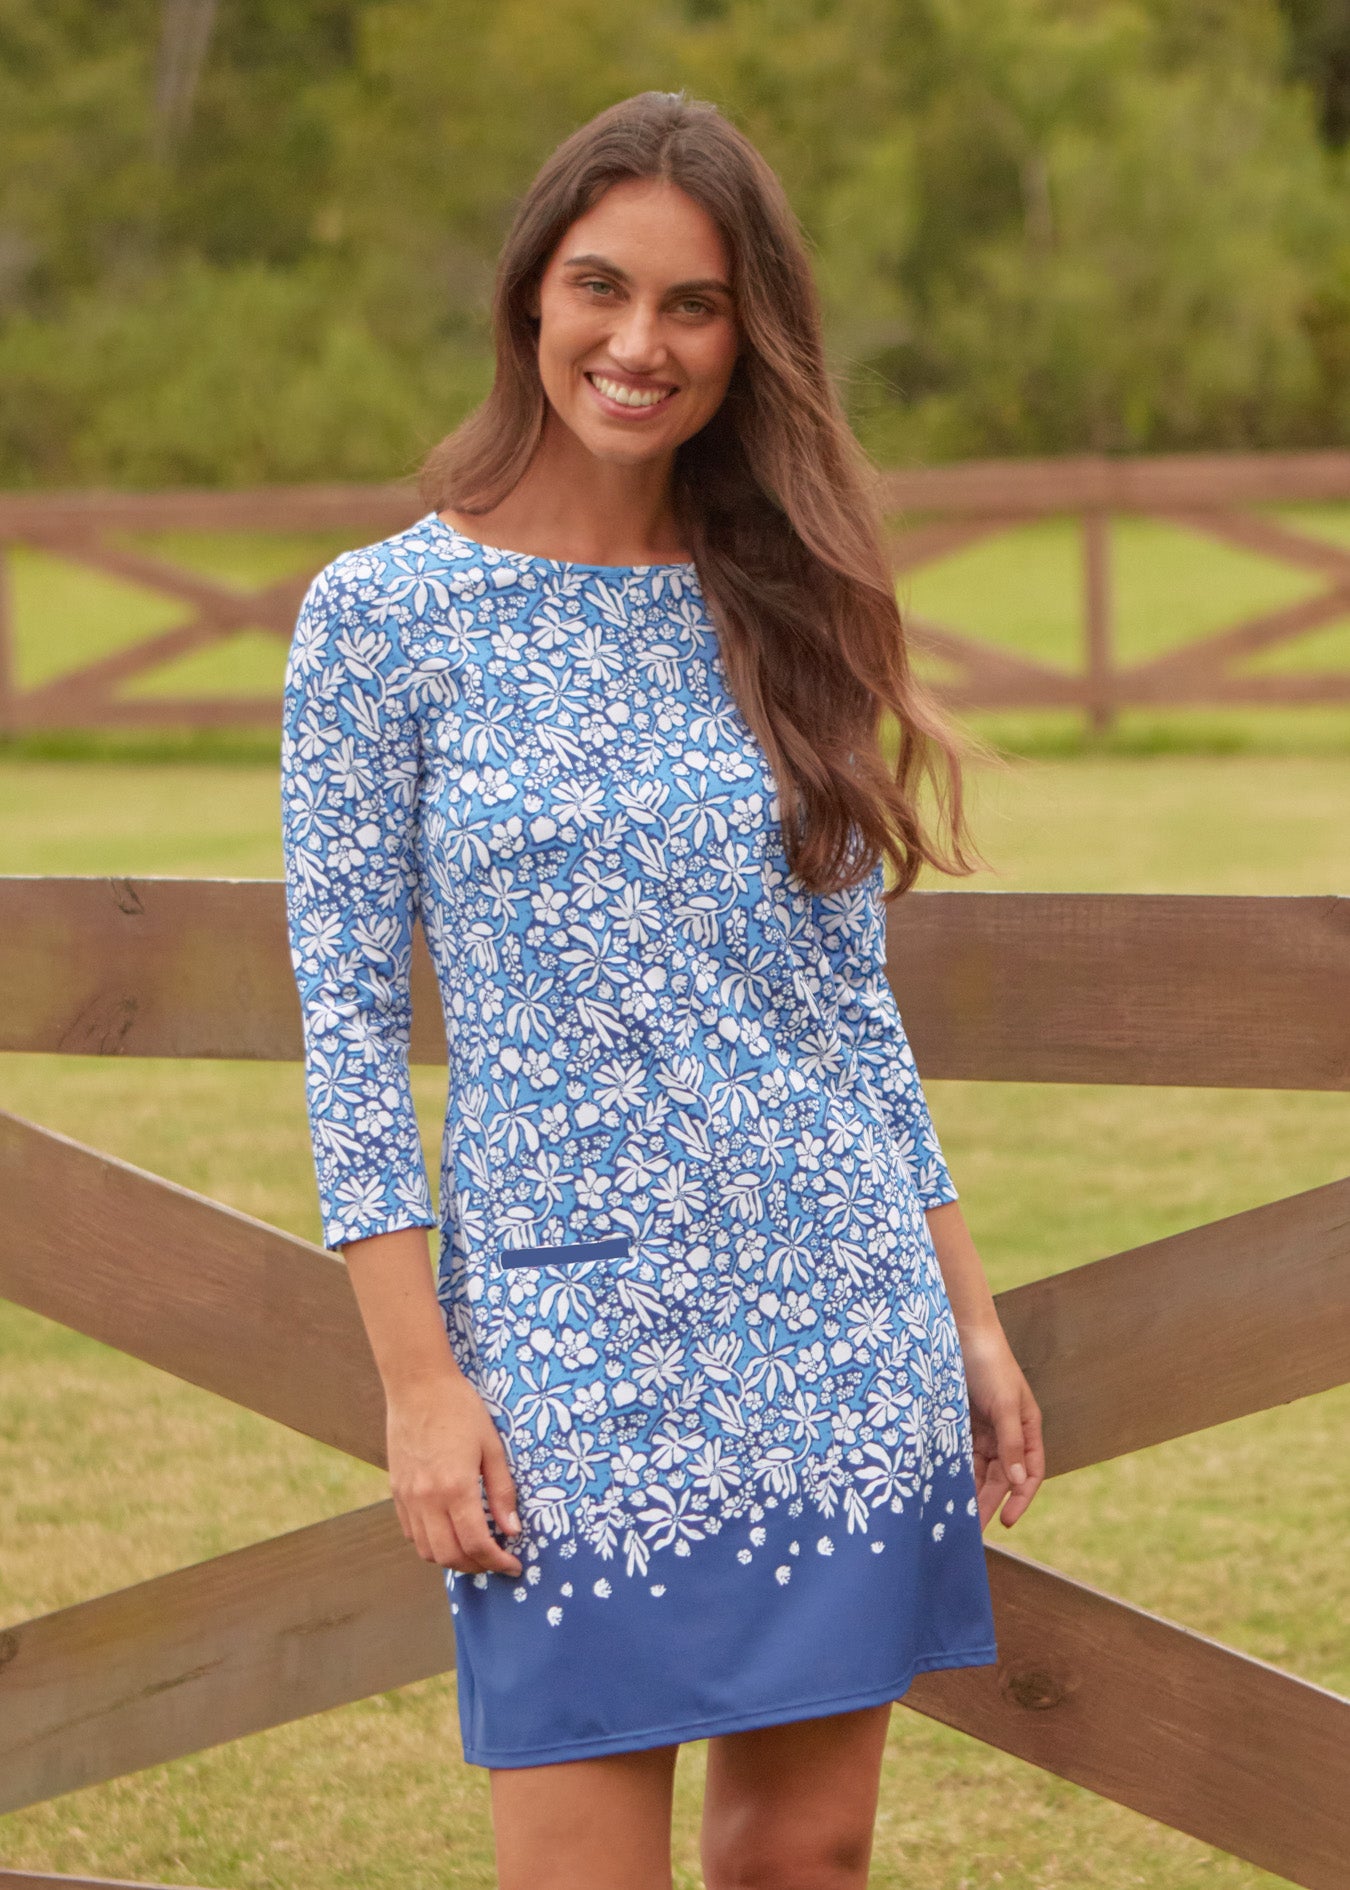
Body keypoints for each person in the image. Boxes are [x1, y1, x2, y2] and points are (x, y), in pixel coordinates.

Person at [280, 88, 1043, 1890]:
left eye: (691, 305)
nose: (638, 344)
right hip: (562, 1347)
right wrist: (418, 1384)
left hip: (833, 1315)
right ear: (529, 298)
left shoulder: (790, 607)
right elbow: (342, 1031)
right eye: (598, 289)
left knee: (809, 1858)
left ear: (745, 334)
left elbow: (848, 1008)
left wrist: (971, 1319)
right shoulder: (383, 617)